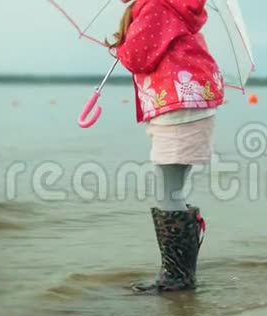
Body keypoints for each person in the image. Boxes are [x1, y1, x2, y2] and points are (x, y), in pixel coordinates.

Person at [107, 0, 225, 293]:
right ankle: (180, 275)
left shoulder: (157, 6)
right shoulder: (171, 6)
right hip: (185, 108)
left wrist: (119, 47)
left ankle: (177, 277)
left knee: (166, 193)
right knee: (172, 191)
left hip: (178, 111)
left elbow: (137, 57)